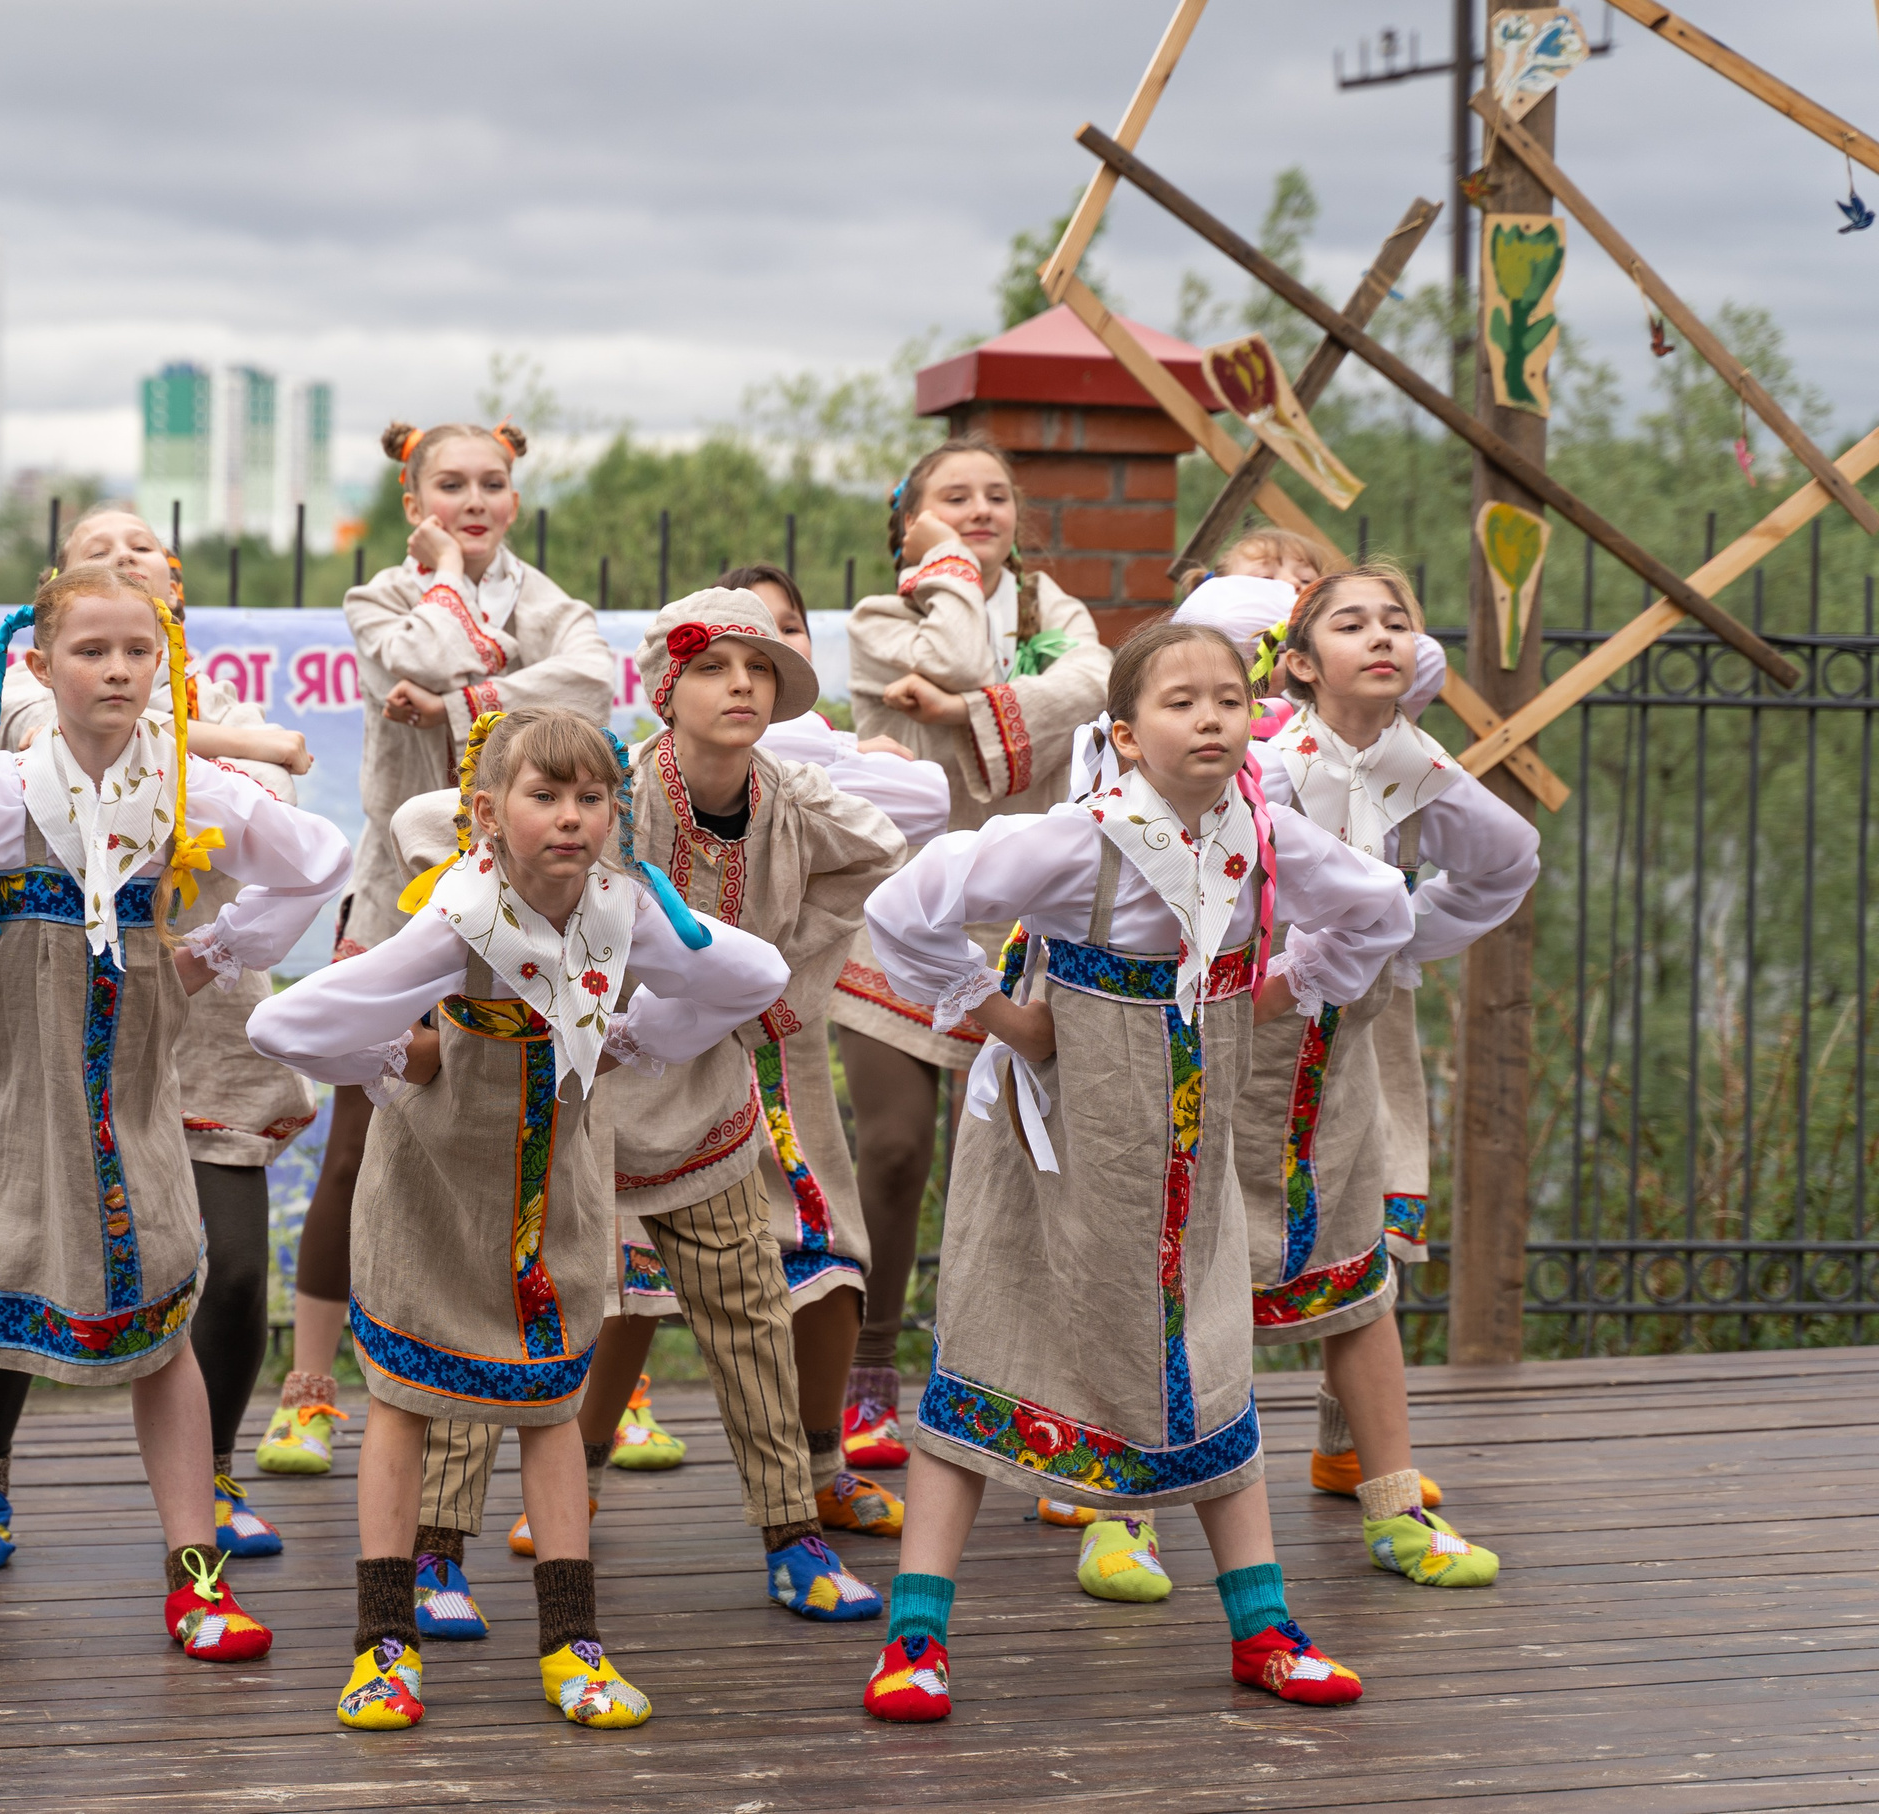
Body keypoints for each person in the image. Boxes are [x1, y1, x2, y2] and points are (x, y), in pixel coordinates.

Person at [0, 564, 351, 1670]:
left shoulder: (187, 788)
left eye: (137, 651)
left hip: (131, 1077)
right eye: (92, 651)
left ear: (163, 665)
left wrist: (210, 957)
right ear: (41, 667)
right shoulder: (4, 791)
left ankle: (196, 1575)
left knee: (157, 1308)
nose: (118, 669)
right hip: (4, 1077)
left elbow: (315, 861)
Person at [859, 618, 1412, 1720]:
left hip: (1187, 1152)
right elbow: (902, 908)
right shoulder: (1078, 840)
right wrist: (1005, 1020)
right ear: (1122, 731)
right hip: (1058, 1145)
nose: (1209, 717)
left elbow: (1378, 906)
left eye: (1226, 699)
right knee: (992, 1337)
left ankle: (1262, 1626)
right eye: (1179, 701)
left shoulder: (1263, 836)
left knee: (1204, 1356)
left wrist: (1288, 980)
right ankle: (914, 1635)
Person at [249, 708, 788, 1731]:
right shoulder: (456, 919)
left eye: (592, 797)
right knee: (404, 1401)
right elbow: (290, 1019)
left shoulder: (622, 912)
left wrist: (639, 1031)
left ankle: (571, 1644)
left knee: (552, 1406)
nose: (572, 818)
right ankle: (383, 1642)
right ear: (489, 815)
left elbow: (751, 976)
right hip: (436, 1196)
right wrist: (391, 1058)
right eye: (545, 796)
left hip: (559, 1202)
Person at [420, 590, 908, 1628]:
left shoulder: (791, 794)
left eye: (760, 668)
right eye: (714, 665)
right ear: (662, 690)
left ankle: (792, 1536)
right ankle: (434, 1551)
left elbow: (878, 855)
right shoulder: (612, 795)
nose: (742, 684)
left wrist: (776, 972)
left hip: (702, 1096)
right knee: (503, 1306)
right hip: (570, 1090)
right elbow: (472, 853)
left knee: (746, 1312)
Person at [0, 508, 313, 1571]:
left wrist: (236, 745)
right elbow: (52, 749)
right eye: (95, 544)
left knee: (235, 1269)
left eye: (143, 543)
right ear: (58, 603)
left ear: (175, 587)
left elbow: (272, 809)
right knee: (18, 1248)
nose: (121, 552)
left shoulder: (228, 698)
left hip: (201, 1008)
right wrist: (240, 749)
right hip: (65, 1007)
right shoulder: (28, 690)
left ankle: (210, 1476)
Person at [264, 420, 613, 1480]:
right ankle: (312, 1386)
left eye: (491, 484)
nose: (472, 499)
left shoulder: (557, 604)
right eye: (449, 485)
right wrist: (457, 588)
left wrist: (462, 701)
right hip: (401, 893)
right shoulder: (378, 595)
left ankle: (524, 1375)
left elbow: (592, 689)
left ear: (516, 493)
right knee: (360, 1142)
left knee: (531, 1134)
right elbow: (409, 653)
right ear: (412, 495)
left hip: (532, 909)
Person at [1236, 564, 1534, 1581]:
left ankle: (1394, 1508)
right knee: (1184, 1270)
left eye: (1396, 621)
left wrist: (1403, 942)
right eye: (1349, 621)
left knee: (1356, 1269)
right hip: (1234, 1049)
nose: (1380, 635)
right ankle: (1122, 1510)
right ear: (1299, 665)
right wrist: (1291, 968)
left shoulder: (1409, 759)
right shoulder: (1263, 761)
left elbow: (1508, 857)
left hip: (1342, 1052)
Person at [832, 435, 1112, 1471]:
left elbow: (1106, 681)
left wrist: (967, 715)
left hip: (1026, 918)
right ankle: (864, 1368)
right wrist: (948, 572)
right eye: (955, 497)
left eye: (996, 494)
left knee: (1030, 1161)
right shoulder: (880, 618)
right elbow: (939, 656)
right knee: (896, 1149)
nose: (982, 508)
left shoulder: (1056, 614)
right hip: (898, 909)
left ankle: (1032, 1386)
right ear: (908, 515)